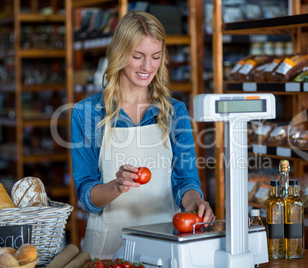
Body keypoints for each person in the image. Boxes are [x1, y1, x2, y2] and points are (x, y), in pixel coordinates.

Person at [70, 11, 215, 259]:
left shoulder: (174, 112)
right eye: (138, 56)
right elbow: (86, 195)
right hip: (107, 247)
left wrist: (194, 202)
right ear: (119, 54)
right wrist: (116, 186)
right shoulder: (86, 113)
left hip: (164, 244)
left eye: (155, 56)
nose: (148, 67)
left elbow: (186, 181)